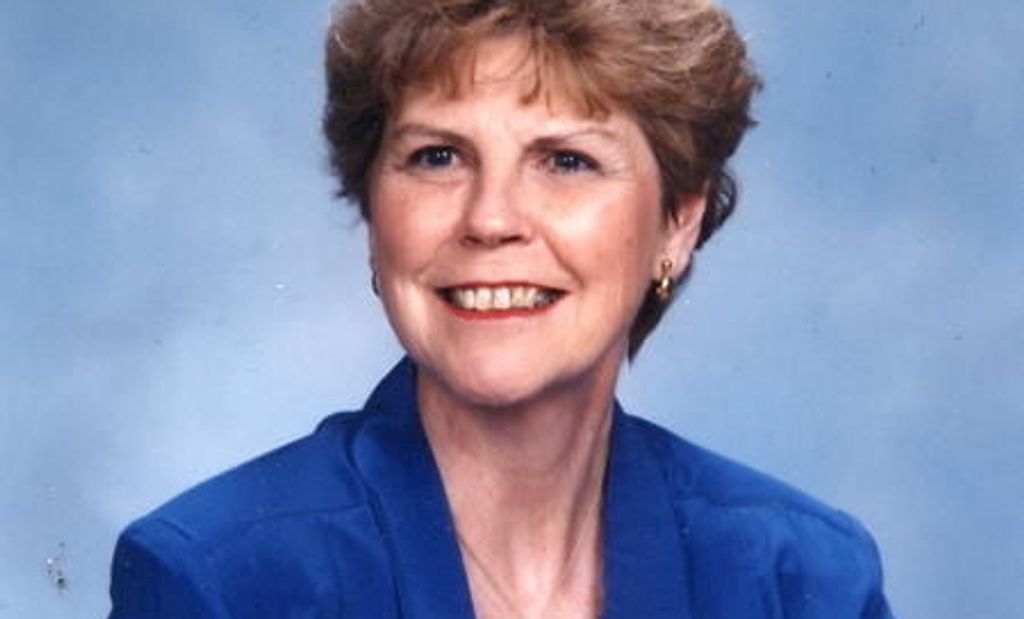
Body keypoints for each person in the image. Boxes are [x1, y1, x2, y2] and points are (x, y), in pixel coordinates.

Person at [108, 0, 895, 617]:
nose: (490, 218)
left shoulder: (802, 579)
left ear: (677, 223)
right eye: (438, 156)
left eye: (566, 161)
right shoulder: (221, 579)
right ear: (375, 213)